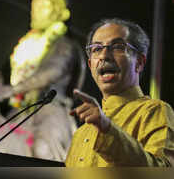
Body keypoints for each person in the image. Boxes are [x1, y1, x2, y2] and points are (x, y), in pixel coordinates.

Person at [0, 0, 86, 161]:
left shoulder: (64, 45)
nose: (36, 11)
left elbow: (52, 72)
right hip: (22, 110)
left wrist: (15, 89)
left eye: (43, 5)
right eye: (34, 6)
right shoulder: (27, 44)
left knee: (42, 149)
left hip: (51, 110)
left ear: (60, 12)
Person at [65, 18, 174, 167]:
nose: (104, 56)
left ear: (139, 62)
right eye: (97, 49)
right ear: (90, 65)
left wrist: (107, 130)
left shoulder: (154, 111)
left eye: (117, 47)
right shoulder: (80, 133)